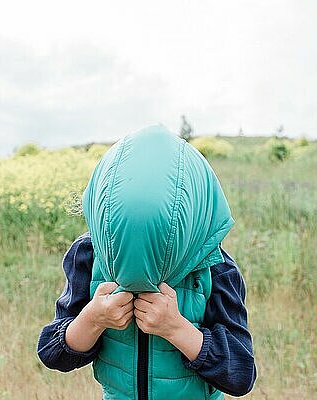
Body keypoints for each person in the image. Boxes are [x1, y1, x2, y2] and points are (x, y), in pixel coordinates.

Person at [37, 125, 257, 399]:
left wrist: (175, 327)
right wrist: (94, 319)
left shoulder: (214, 266)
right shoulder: (89, 254)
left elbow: (240, 374)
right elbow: (52, 353)